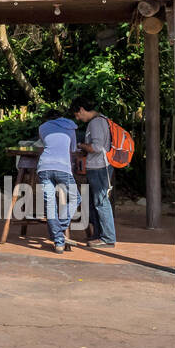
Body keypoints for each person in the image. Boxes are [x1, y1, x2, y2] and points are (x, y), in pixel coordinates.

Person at [72, 98, 116, 248]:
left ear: (82, 109)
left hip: (99, 167)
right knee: (93, 202)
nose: (78, 118)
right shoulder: (102, 120)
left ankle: (108, 237)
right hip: (99, 167)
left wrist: (81, 145)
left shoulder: (96, 123)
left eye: (77, 115)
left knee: (101, 202)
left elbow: (97, 147)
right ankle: (99, 235)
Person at [35, 107, 79, 254]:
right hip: (63, 168)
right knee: (76, 198)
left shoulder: (42, 127)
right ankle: (60, 232)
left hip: (44, 167)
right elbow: (72, 149)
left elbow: (45, 143)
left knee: (50, 203)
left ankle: (58, 241)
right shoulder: (71, 126)